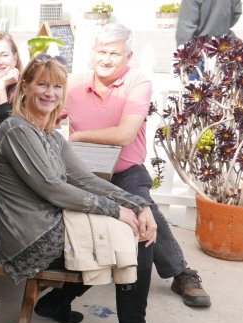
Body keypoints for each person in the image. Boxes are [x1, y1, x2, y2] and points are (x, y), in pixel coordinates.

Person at [0, 58, 173, 323]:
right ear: (24, 86)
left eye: (57, 86)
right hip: (30, 239)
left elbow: (85, 180)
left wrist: (137, 203)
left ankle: (56, 302)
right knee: (135, 240)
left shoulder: (50, 136)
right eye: (43, 84)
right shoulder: (16, 130)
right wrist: (115, 211)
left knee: (131, 229)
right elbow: (53, 187)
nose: (50, 92)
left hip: (53, 222)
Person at [66, 24, 210, 308]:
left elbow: (125, 134)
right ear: (92, 54)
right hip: (83, 174)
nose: (106, 59)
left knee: (143, 209)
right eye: (101, 52)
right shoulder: (73, 85)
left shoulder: (137, 82)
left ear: (128, 56)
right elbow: (41, 114)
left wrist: (79, 136)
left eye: (115, 53)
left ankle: (180, 273)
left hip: (125, 171)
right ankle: (61, 281)